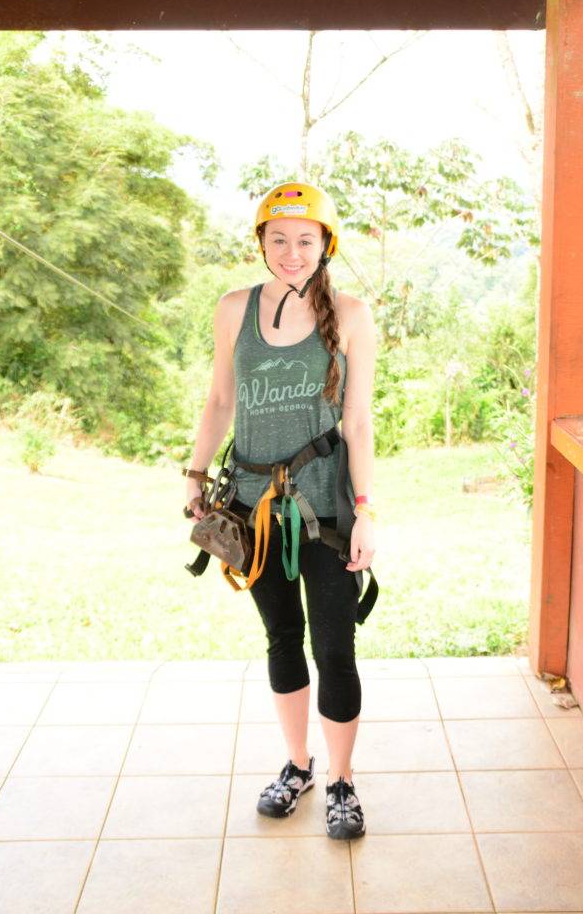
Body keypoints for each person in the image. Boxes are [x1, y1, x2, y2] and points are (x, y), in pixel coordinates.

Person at [184, 181, 376, 840]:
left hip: (325, 511)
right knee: (281, 639)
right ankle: (298, 767)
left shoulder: (349, 313)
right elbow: (217, 402)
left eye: (305, 240)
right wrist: (195, 473)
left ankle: (342, 781)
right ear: (261, 243)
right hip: (251, 507)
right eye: (278, 239)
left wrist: (366, 509)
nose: (291, 252)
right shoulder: (233, 309)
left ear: (325, 246)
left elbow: (358, 422)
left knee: (335, 648)